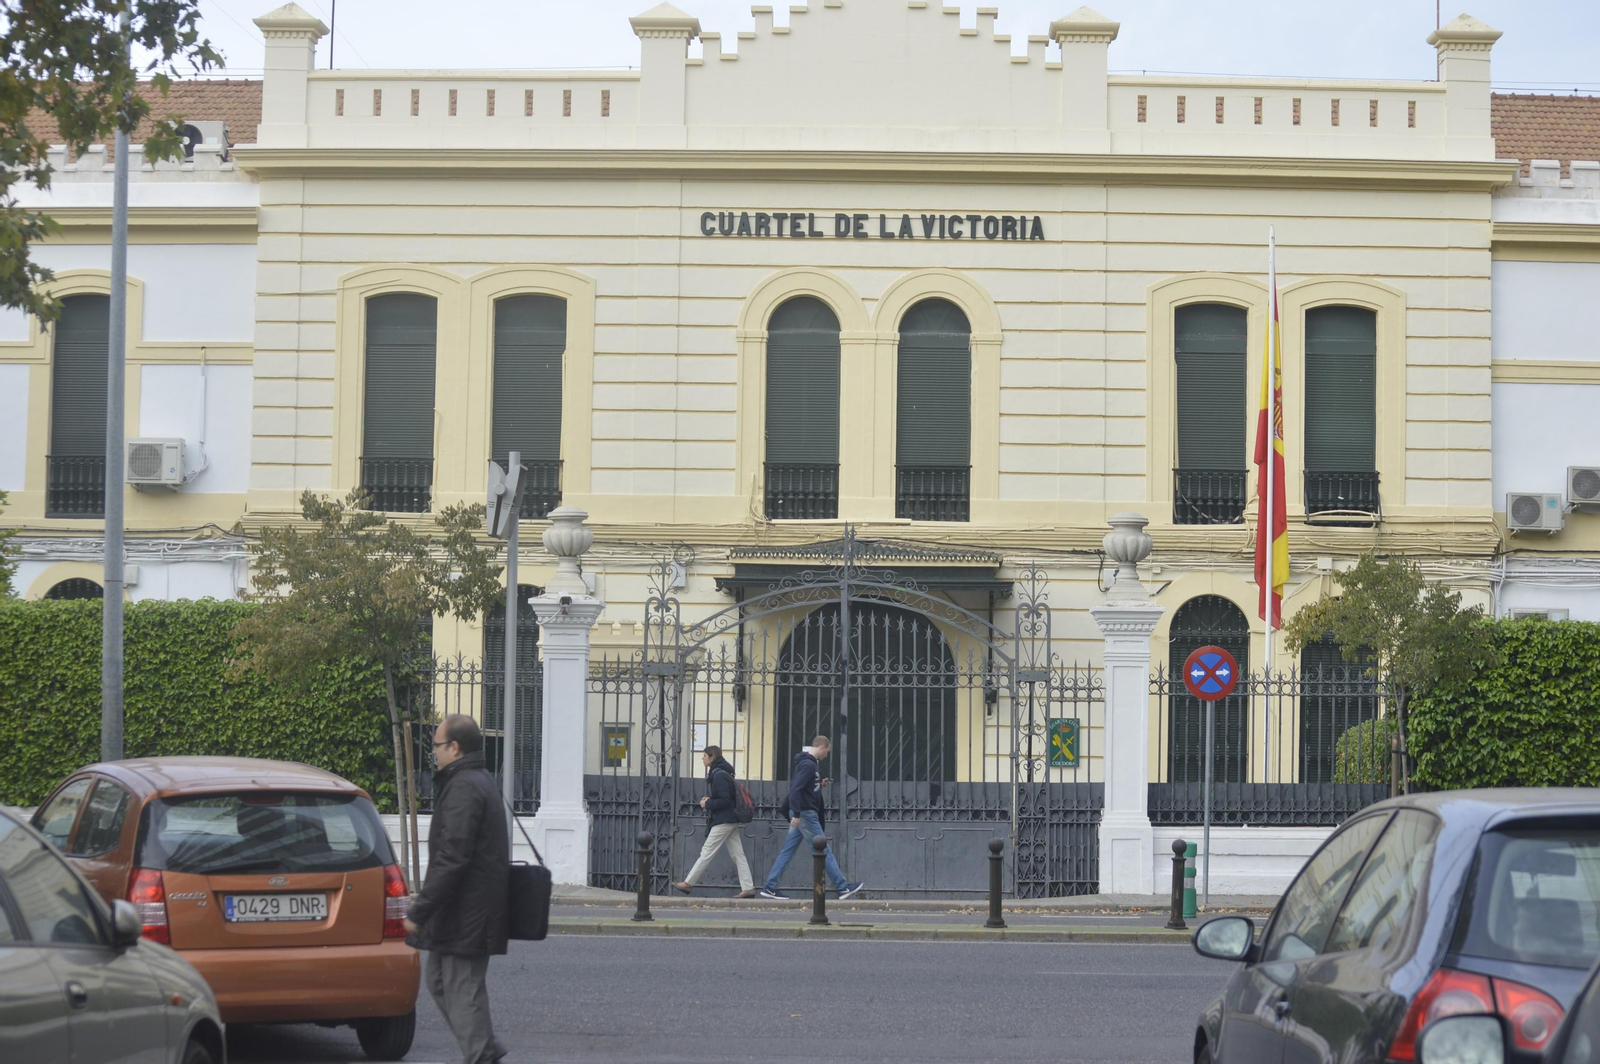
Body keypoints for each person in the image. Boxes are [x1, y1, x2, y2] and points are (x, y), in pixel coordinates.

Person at [403, 714, 510, 1064]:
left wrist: (420, 911)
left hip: (469, 910)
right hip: (462, 908)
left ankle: (481, 1056)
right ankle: (487, 1047)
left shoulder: (465, 786)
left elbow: (452, 856)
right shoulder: (470, 780)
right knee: (438, 981)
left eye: (436, 745)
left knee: (462, 989)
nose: (432, 752)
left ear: (454, 747)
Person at [759, 735, 864, 900]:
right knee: (823, 849)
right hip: (806, 814)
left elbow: (804, 787)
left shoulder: (809, 764)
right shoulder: (808, 765)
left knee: (788, 851)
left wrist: (819, 784)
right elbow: (795, 789)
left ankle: (770, 887)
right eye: (827, 752)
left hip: (803, 813)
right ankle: (842, 887)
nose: (827, 755)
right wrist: (797, 813)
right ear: (822, 747)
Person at [674, 746, 756, 898]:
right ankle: (748, 887)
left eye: (704, 756)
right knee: (738, 855)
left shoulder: (719, 776)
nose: (702, 758)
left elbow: (724, 801)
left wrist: (708, 804)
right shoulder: (723, 773)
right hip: (730, 819)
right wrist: (711, 799)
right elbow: (726, 797)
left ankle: (688, 883)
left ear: (712, 758)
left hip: (724, 820)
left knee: (707, 851)